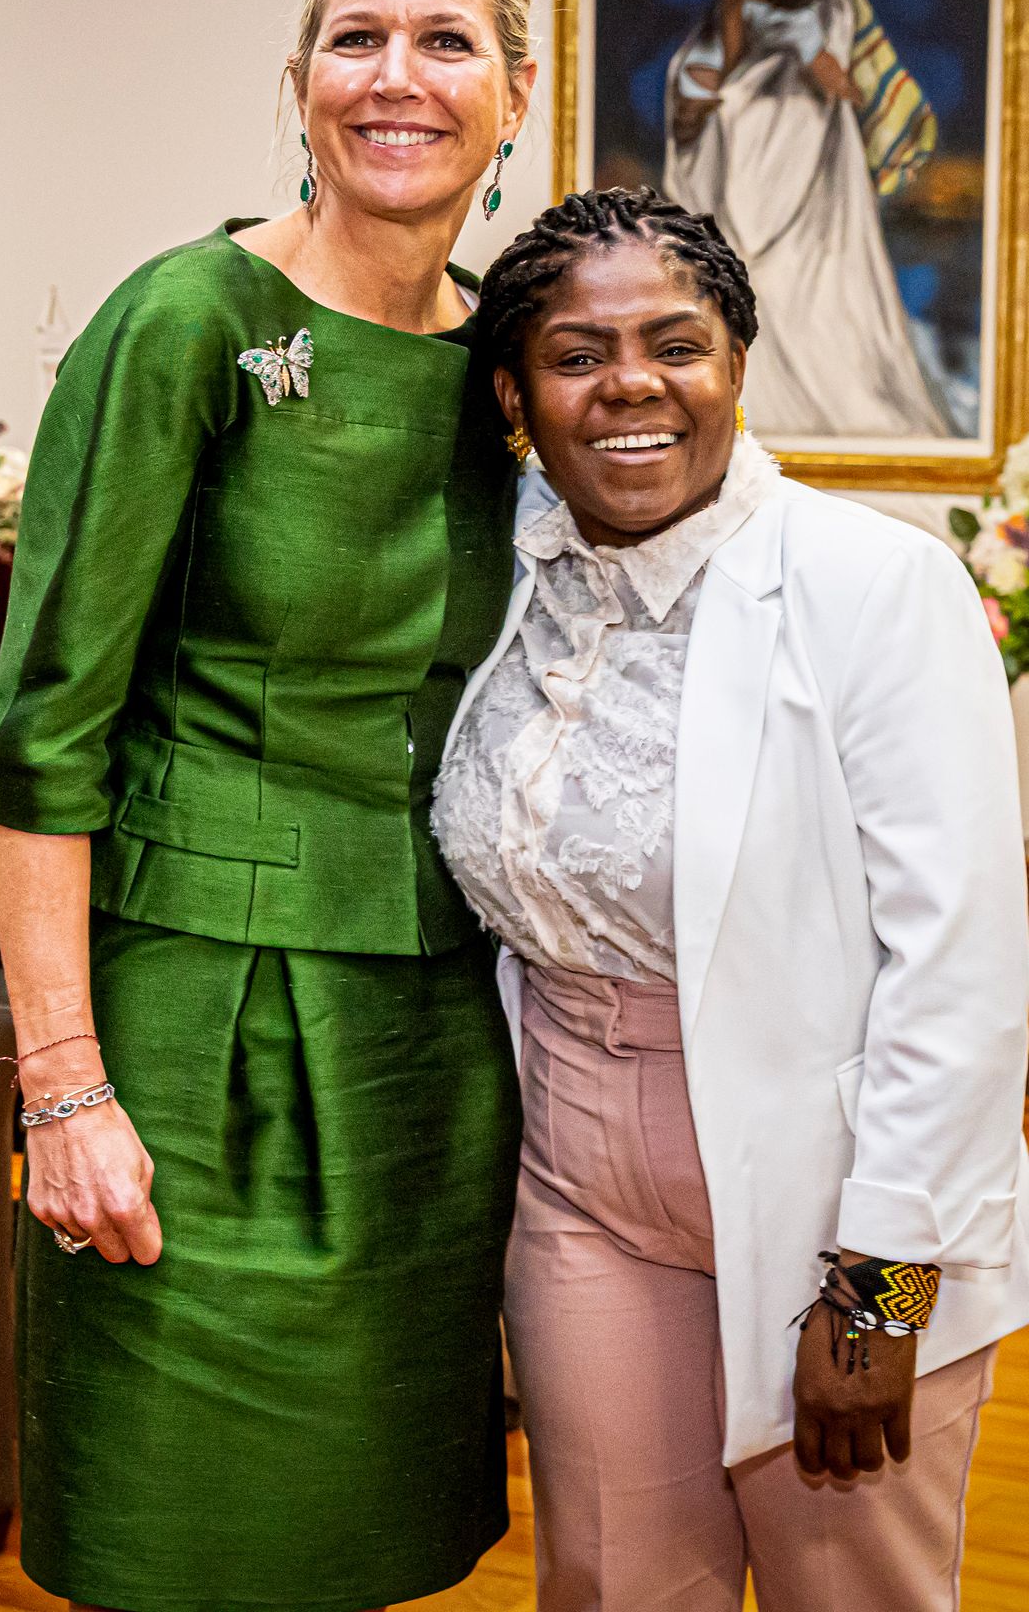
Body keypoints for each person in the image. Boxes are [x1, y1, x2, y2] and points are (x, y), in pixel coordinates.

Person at [0, 0, 535, 1612]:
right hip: (191, 1034)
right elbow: (43, 733)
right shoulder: (188, 324)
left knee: (371, 1543)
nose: (397, 75)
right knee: (184, 1537)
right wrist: (63, 1084)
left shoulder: (521, 365)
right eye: (354, 37)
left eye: (447, 40)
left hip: (428, 1040)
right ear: (295, 85)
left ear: (512, 95)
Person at [433, 185, 1029, 1611]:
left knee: (853, 1594)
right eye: (577, 355)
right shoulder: (500, 578)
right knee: (612, 1583)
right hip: (579, 1197)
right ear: (517, 396)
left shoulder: (875, 586)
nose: (630, 383)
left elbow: (959, 970)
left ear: (737, 365)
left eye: (674, 342)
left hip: (836, 1210)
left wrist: (882, 1290)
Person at [664, 0, 949, 440]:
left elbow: (776, 118)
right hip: (734, 223)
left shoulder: (825, 5)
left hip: (802, 240)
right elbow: (694, 101)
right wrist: (731, 29)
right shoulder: (728, 9)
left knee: (814, 357)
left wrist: (741, 79)